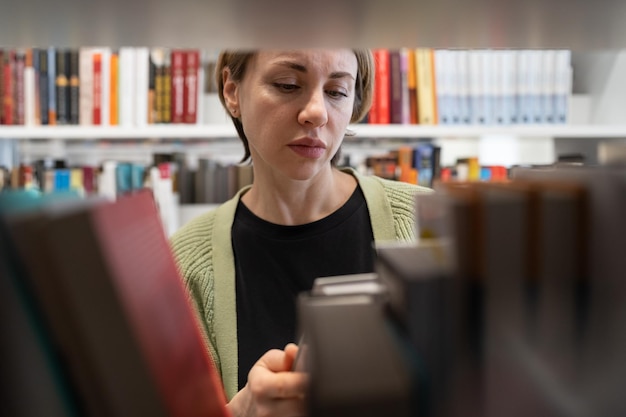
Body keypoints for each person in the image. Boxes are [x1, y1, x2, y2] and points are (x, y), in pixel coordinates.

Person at [170, 48, 432, 417]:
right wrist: (238, 411)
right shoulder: (184, 265)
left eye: (337, 92)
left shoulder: (429, 224)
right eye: (287, 84)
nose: (317, 113)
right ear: (232, 91)